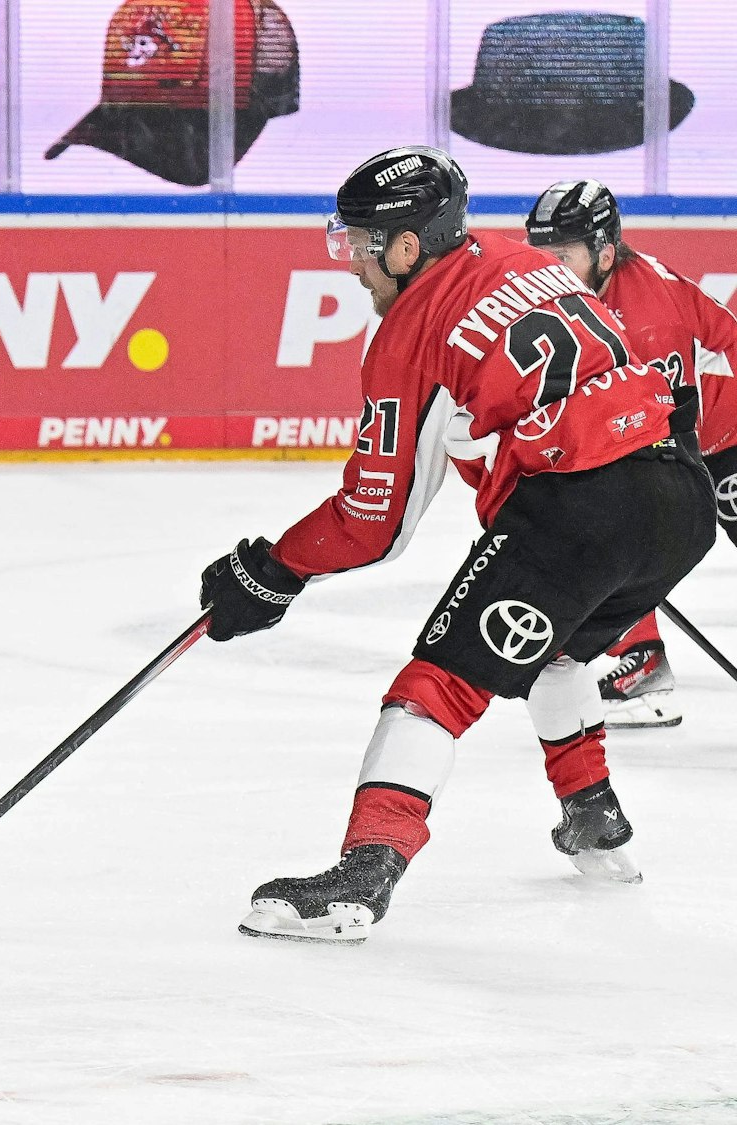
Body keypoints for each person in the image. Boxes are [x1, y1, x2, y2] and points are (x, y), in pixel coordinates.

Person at [199, 147, 714, 945]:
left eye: (360, 245)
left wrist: (271, 570)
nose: (352, 265)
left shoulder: (411, 334)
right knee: (557, 649)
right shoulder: (525, 263)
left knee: (435, 682)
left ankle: (361, 877)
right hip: (681, 498)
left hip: (581, 510)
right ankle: (594, 816)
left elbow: (374, 520)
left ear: (407, 247)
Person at [523, 180, 737, 729]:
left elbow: (668, 430)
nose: (547, 269)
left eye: (562, 256)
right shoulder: (574, 296)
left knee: (625, 518)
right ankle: (641, 662)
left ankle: (641, 660)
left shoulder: (645, 318)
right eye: (540, 254)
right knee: (611, 526)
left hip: (725, 433)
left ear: (605, 253)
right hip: (685, 426)